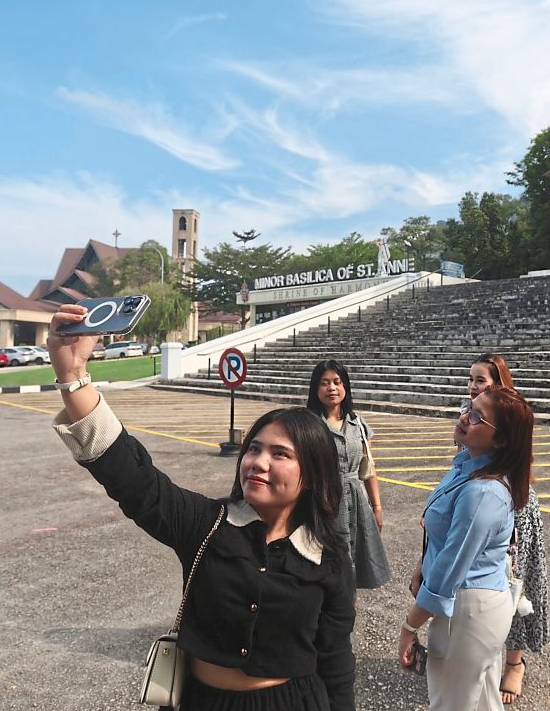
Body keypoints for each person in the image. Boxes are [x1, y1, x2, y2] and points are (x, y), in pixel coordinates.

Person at [46, 303, 356, 711]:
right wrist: (71, 376)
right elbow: (133, 477)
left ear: (312, 474)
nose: (259, 462)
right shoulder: (206, 525)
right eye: (254, 449)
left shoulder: (329, 557)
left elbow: (335, 661)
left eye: (280, 454)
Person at [398, 386, 535, 710]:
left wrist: (409, 627)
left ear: (499, 440)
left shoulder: (483, 492)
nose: (464, 418)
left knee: (451, 702)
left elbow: (449, 572)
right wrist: (423, 565)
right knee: (483, 699)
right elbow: (448, 541)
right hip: (470, 604)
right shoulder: (467, 466)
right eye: (468, 408)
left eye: (476, 417)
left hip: (469, 609)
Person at [467, 354, 550, 705]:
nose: (473, 385)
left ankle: (515, 662)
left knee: (514, 585)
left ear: (499, 383)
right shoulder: (471, 412)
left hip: (513, 508)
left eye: (481, 380)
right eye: (470, 378)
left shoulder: (510, 414)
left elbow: (522, 467)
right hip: (480, 499)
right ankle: (481, 653)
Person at [306, 359, 391, 589]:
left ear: (345, 387)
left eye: (337, 382)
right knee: (328, 563)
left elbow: (369, 469)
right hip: (324, 501)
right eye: (324, 383)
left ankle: (346, 611)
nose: (331, 388)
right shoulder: (308, 425)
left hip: (357, 499)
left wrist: (377, 507)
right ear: (316, 389)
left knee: (354, 563)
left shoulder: (358, 424)